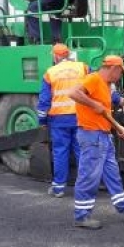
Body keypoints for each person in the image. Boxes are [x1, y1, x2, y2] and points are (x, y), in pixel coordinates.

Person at [67, 55, 124, 230]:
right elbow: (73, 93)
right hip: (91, 136)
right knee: (89, 176)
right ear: (114, 69)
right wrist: (93, 104)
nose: (120, 77)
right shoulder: (93, 79)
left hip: (103, 136)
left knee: (113, 175)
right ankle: (82, 216)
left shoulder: (106, 86)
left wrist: (119, 127)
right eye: (120, 73)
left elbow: (105, 113)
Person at [37, 44, 89, 198]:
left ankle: (58, 188)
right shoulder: (83, 68)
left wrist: (42, 121)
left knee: (60, 153)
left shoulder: (50, 73)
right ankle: (85, 187)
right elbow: (97, 83)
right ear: (68, 54)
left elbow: (44, 101)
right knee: (82, 152)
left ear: (55, 56)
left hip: (59, 121)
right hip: (80, 118)